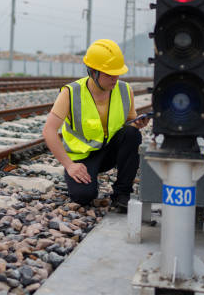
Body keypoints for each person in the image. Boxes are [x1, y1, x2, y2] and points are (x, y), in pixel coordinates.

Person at [42, 39, 149, 212]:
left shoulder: (124, 90)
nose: (115, 78)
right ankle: (84, 178)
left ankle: (122, 194)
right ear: (93, 72)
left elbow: (129, 125)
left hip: (109, 152)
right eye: (109, 74)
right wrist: (70, 165)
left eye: (117, 73)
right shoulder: (71, 92)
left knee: (132, 134)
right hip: (83, 157)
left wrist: (138, 124)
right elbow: (48, 131)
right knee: (83, 197)